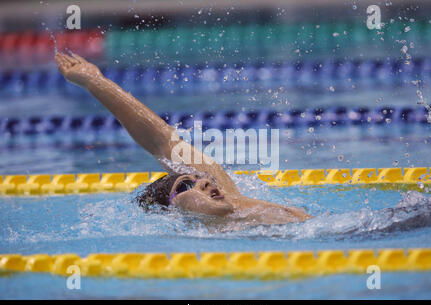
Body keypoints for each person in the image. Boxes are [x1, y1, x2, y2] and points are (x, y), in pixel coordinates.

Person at [55, 52, 312, 224]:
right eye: (187, 187)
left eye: (199, 179)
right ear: (174, 208)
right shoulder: (209, 228)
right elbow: (216, 210)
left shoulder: (226, 193)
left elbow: (162, 140)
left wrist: (94, 81)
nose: (201, 183)